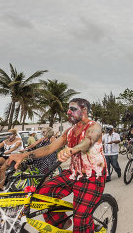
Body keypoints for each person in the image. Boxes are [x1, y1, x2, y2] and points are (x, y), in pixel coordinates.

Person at [8, 98, 106, 232]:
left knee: (81, 218)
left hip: (92, 176)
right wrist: (23, 155)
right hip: (73, 173)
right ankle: (63, 222)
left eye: (72, 109)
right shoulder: (69, 132)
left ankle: (85, 224)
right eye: (68, 109)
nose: (68, 112)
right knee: (42, 195)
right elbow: (49, 148)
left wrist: (71, 149)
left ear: (84, 110)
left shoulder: (94, 126)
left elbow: (88, 141)